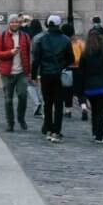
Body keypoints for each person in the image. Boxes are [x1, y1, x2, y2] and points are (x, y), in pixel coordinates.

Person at [31, 14, 75, 143]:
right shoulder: (66, 40)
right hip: (59, 75)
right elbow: (71, 59)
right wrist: (62, 65)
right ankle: (56, 131)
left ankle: (49, 129)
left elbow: (36, 60)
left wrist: (34, 75)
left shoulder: (41, 39)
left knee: (48, 103)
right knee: (59, 104)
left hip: (45, 74)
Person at [76, 28, 103, 142]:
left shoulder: (85, 54)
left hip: (90, 87)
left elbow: (81, 73)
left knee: (95, 110)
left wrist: (79, 90)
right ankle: (99, 135)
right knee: (101, 111)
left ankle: (95, 132)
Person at [0, 15, 31, 131]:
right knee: (8, 99)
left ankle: (21, 118)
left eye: (16, 22)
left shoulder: (25, 36)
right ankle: (10, 123)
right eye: (12, 22)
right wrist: (10, 52)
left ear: (19, 24)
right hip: (7, 72)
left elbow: (29, 54)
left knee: (22, 96)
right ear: (9, 24)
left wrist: (30, 72)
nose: (14, 24)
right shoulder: (2, 36)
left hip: (21, 72)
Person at [62, 23, 86, 119]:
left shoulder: (63, 42)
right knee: (81, 91)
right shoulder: (79, 42)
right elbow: (85, 55)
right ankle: (84, 107)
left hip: (68, 69)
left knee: (68, 91)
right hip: (79, 69)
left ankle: (68, 111)